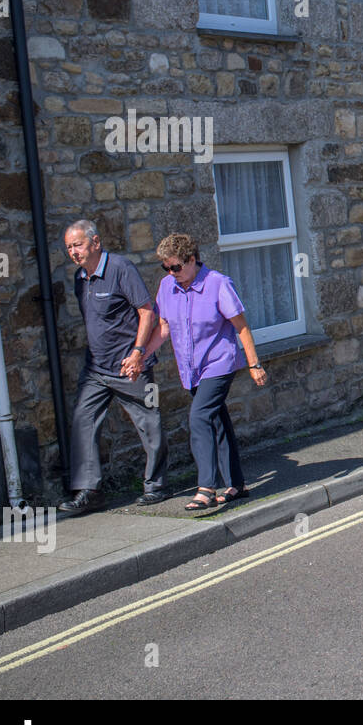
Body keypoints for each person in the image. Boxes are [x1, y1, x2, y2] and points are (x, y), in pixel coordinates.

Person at [142, 233, 267, 510]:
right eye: (167, 268)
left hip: (219, 363)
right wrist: (141, 356)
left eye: (176, 267)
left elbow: (241, 326)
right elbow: (163, 329)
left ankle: (206, 488)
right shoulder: (167, 287)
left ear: (191, 259)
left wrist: (254, 364)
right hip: (191, 368)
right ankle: (237, 484)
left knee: (199, 417)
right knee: (218, 421)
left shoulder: (217, 284)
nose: (172, 273)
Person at [60, 219, 170, 513]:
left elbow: (146, 312)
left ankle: (155, 486)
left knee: (150, 423)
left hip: (130, 366)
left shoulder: (121, 268)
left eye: (78, 245)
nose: (73, 252)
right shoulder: (80, 278)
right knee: (83, 423)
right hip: (95, 369)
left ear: (96, 242)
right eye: (69, 247)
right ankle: (90, 491)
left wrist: (138, 353)